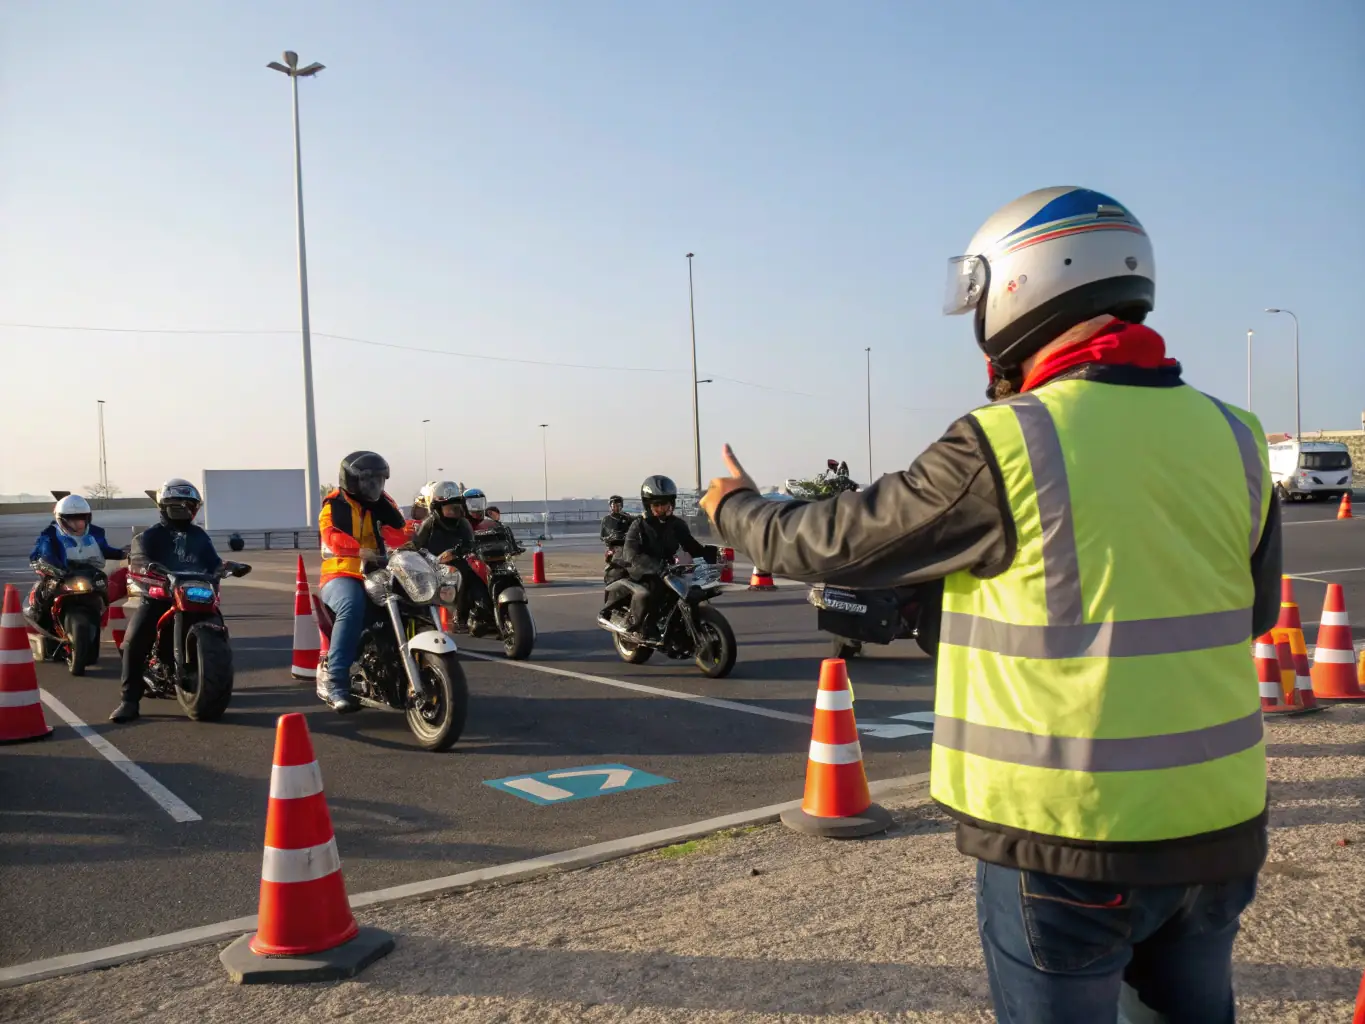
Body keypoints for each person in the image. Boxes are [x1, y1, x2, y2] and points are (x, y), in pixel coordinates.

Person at [700, 186, 1281, 1023]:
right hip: (1217, 829)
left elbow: (830, 540)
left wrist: (733, 507)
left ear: (1022, 286)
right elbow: (1246, 612)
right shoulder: (1236, 436)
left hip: (1066, 841)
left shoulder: (1007, 440)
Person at [109, 480, 224, 723]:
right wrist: (147, 568)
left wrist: (224, 567)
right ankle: (129, 700)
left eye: (188, 505)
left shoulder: (199, 536)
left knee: (218, 627)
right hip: (159, 596)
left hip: (194, 594)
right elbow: (139, 559)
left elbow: (213, 561)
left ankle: (213, 682)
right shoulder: (148, 536)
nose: (183, 509)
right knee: (134, 640)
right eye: (176, 505)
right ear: (163, 506)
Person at [317, 451, 409, 713]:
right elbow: (331, 535)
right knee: (352, 603)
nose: (375, 487)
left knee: (411, 598)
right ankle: (337, 681)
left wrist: (417, 537)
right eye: (369, 481)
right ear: (353, 481)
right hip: (342, 573)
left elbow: (399, 532)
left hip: (377, 571)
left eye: (379, 481)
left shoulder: (381, 503)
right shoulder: (333, 504)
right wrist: (358, 549)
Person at [609, 475, 709, 639]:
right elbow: (631, 554)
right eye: (657, 504)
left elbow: (692, 546)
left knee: (689, 588)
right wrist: (656, 567)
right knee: (653, 589)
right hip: (643, 570)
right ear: (648, 505)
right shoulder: (639, 525)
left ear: (672, 503)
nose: (662, 508)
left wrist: (712, 555)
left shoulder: (677, 524)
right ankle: (644, 625)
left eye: (665, 503)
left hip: (666, 568)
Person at [28, 495, 128, 632]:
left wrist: (124, 554)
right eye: (72, 520)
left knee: (104, 586)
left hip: (88, 573)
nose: (78, 524)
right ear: (61, 519)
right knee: (44, 597)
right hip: (61, 574)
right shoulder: (50, 535)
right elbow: (44, 553)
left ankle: (100, 614)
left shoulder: (95, 533)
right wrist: (50, 566)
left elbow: (104, 549)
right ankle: (44, 628)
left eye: (82, 519)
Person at [410, 480, 483, 631]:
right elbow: (415, 545)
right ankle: (420, 618)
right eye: (449, 508)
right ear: (437, 508)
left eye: (456, 508)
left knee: (471, 574)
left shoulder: (463, 523)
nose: (454, 512)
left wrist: (456, 552)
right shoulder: (429, 523)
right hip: (431, 563)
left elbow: (471, 543)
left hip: (456, 562)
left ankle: (466, 615)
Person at [599, 495, 634, 586]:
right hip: (613, 546)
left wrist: (627, 536)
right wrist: (608, 538)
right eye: (614, 505)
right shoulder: (606, 519)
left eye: (618, 505)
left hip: (625, 546)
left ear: (621, 506)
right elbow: (602, 535)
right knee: (609, 558)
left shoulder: (627, 518)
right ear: (610, 506)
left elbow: (634, 531)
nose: (616, 507)